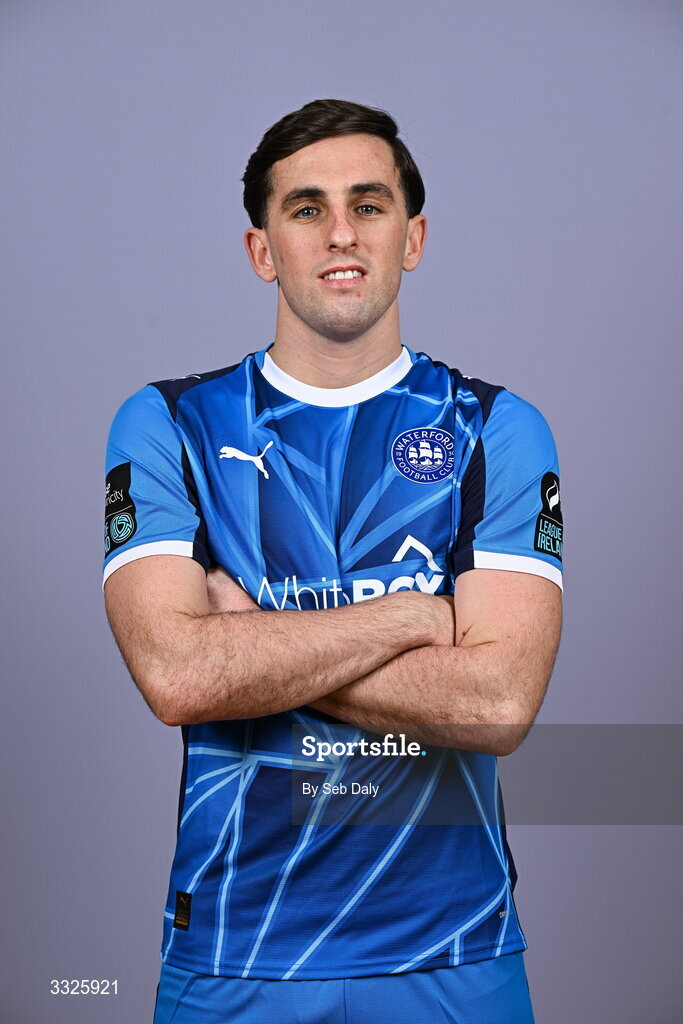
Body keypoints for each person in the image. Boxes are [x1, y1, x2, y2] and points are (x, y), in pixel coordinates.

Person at [102, 98, 563, 1024]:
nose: (341, 233)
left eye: (369, 203)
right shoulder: (169, 425)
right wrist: (413, 618)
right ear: (262, 251)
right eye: (306, 208)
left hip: (453, 947)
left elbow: (498, 701)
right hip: (235, 949)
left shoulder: (494, 429)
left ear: (413, 236)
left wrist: (254, 647)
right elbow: (177, 677)